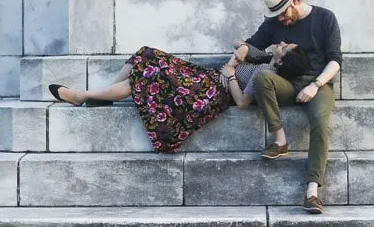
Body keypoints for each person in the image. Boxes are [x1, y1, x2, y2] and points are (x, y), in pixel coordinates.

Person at [49, 45, 299, 153]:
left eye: (285, 47)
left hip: (209, 93)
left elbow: (243, 103)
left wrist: (232, 73)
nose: (283, 43)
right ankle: (103, 96)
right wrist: (242, 51)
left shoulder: (265, 72)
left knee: (143, 78)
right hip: (205, 77)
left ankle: (82, 96)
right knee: (145, 55)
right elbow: (240, 44)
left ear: (282, 60)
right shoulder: (266, 57)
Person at [233, 0, 342, 215]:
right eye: (277, 15)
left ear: (297, 0)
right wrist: (242, 48)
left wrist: (315, 85)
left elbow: (335, 60)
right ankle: (280, 141)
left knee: (321, 124)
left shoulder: (325, 18)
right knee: (262, 77)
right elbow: (254, 45)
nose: (281, 20)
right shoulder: (274, 23)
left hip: (318, 85)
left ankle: (312, 192)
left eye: (284, 13)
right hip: (285, 83)